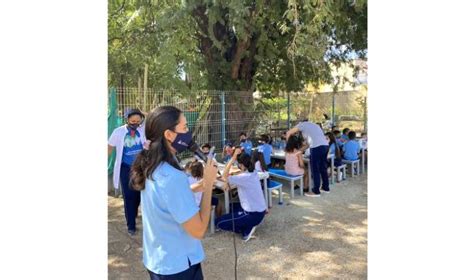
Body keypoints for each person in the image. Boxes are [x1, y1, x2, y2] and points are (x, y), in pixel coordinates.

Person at [130, 106, 218, 279]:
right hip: (178, 267)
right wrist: (208, 185)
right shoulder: (172, 176)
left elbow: (165, 200)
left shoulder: (152, 164)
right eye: (184, 128)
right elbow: (199, 230)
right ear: (169, 135)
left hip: (159, 260)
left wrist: (197, 186)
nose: (188, 133)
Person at [108, 108, 147, 235]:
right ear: (127, 119)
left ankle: (134, 212)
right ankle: (131, 225)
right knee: (128, 196)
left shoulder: (143, 130)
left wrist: (144, 113)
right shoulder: (118, 132)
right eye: (132, 120)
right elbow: (109, 148)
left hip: (141, 167)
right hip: (125, 168)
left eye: (138, 120)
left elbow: (154, 117)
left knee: (139, 196)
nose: (135, 123)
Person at [215, 148, 267, 242]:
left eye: (238, 164)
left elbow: (224, 176)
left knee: (218, 222)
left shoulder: (243, 177)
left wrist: (233, 157)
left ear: (242, 165)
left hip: (252, 214)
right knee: (230, 207)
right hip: (260, 211)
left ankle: (246, 229)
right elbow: (232, 177)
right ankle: (245, 226)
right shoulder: (253, 172)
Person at [286, 120, 329, 197]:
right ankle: (325, 188)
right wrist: (298, 151)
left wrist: (289, 147)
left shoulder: (301, 125)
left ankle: (316, 192)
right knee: (323, 168)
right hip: (325, 146)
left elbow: (288, 133)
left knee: (315, 170)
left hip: (316, 147)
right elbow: (308, 145)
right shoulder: (314, 126)